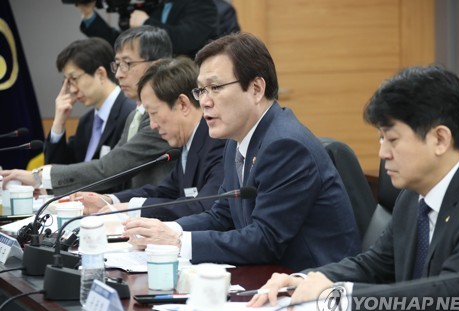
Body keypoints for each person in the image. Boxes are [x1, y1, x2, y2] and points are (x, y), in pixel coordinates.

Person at [248, 66, 459, 311]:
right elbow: (375, 264)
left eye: (392, 139)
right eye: (381, 139)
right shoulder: (412, 197)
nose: (382, 153)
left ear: (440, 138)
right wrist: (309, 279)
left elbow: (449, 301)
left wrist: (339, 299)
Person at [121, 33, 361, 271]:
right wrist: (169, 230)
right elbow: (221, 216)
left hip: (316, 286)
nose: (204, 101)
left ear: (256, 88)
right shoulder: (237, 141)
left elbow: (265, 239)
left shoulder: (285, 145)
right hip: (270, 277)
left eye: (215, 87)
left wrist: (179, 242)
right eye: (201, 90)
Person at [1, 26, 175, 195]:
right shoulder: (133, 116)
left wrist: (40, 177)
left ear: (157, 65)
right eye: (118, 65)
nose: (119, 74)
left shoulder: (160, 117)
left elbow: (109, 169)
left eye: (127, 64)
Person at [73, 57, 225, 220]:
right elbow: (165, 192)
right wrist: (109, 200)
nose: (152, 125)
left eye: (153, 113)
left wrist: (132, 209)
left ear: (182, 104)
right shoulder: (188, 143)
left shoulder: (217, 142)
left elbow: (203, 206)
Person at [45, 37, 135, 165]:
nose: (72, 89)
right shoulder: (86, 122)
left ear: (100, 74)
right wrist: (58, 123)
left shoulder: (130, 114)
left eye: (74, 78)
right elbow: (60, 170)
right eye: (67, 82)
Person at [77, 0, 220, 58]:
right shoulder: (158, 6)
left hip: (188, 84)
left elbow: (184, 40)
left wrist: (146, 22)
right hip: (156, 85)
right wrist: (89, 14)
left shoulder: (202, 4)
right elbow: (124, 44)